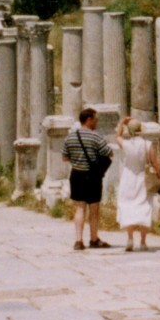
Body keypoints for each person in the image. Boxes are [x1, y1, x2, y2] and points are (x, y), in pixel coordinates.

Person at [61, 107, 113, 251]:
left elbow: (65, 157)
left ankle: (78, 240)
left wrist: (77, 160)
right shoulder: (95, 136)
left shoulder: (70, 137)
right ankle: (94, 238)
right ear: (89, 119)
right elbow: (110, 153)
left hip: (76, 175)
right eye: (95, 119)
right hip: (92, 176)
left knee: (79, 208)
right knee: (94, 208)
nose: (96, 122)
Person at [113, 117, 160, 252]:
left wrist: (122, 122)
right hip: (142, 178)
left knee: (128, 206)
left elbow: (117, 136)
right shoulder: (148, 144)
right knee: (144, 207)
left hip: (128, 178)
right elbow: (154, 163)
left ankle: (129, 239)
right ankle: (143, 241)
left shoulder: (126, 144)